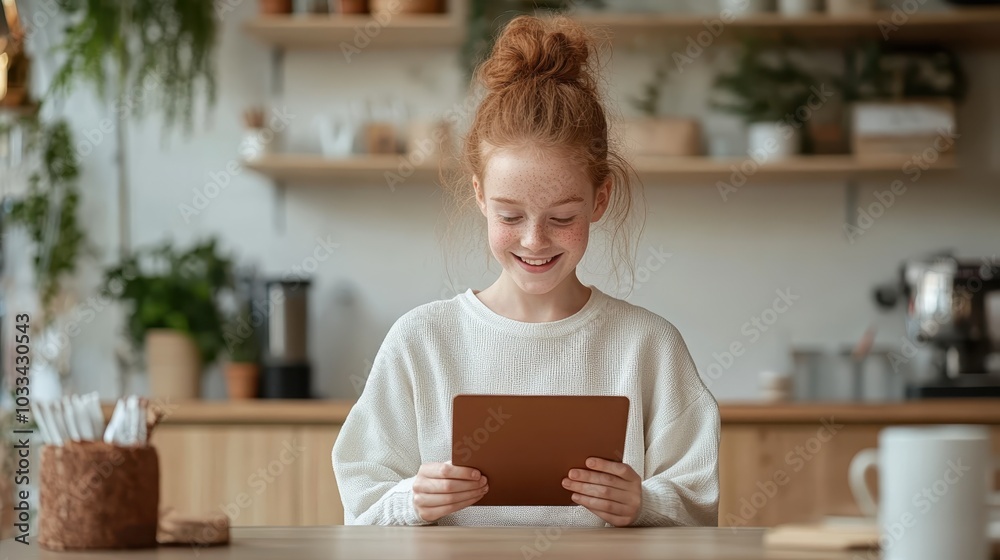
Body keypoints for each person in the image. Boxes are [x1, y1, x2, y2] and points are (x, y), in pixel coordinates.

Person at [332, 14, 719, 527]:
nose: (534, 241)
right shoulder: (420, 342)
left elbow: (700, 504)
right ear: (479, 196)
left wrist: (646, 503)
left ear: (600, 200)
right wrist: (411, 500)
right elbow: (361, 508)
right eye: (510, 215)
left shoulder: (648, 347)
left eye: (562, 218)